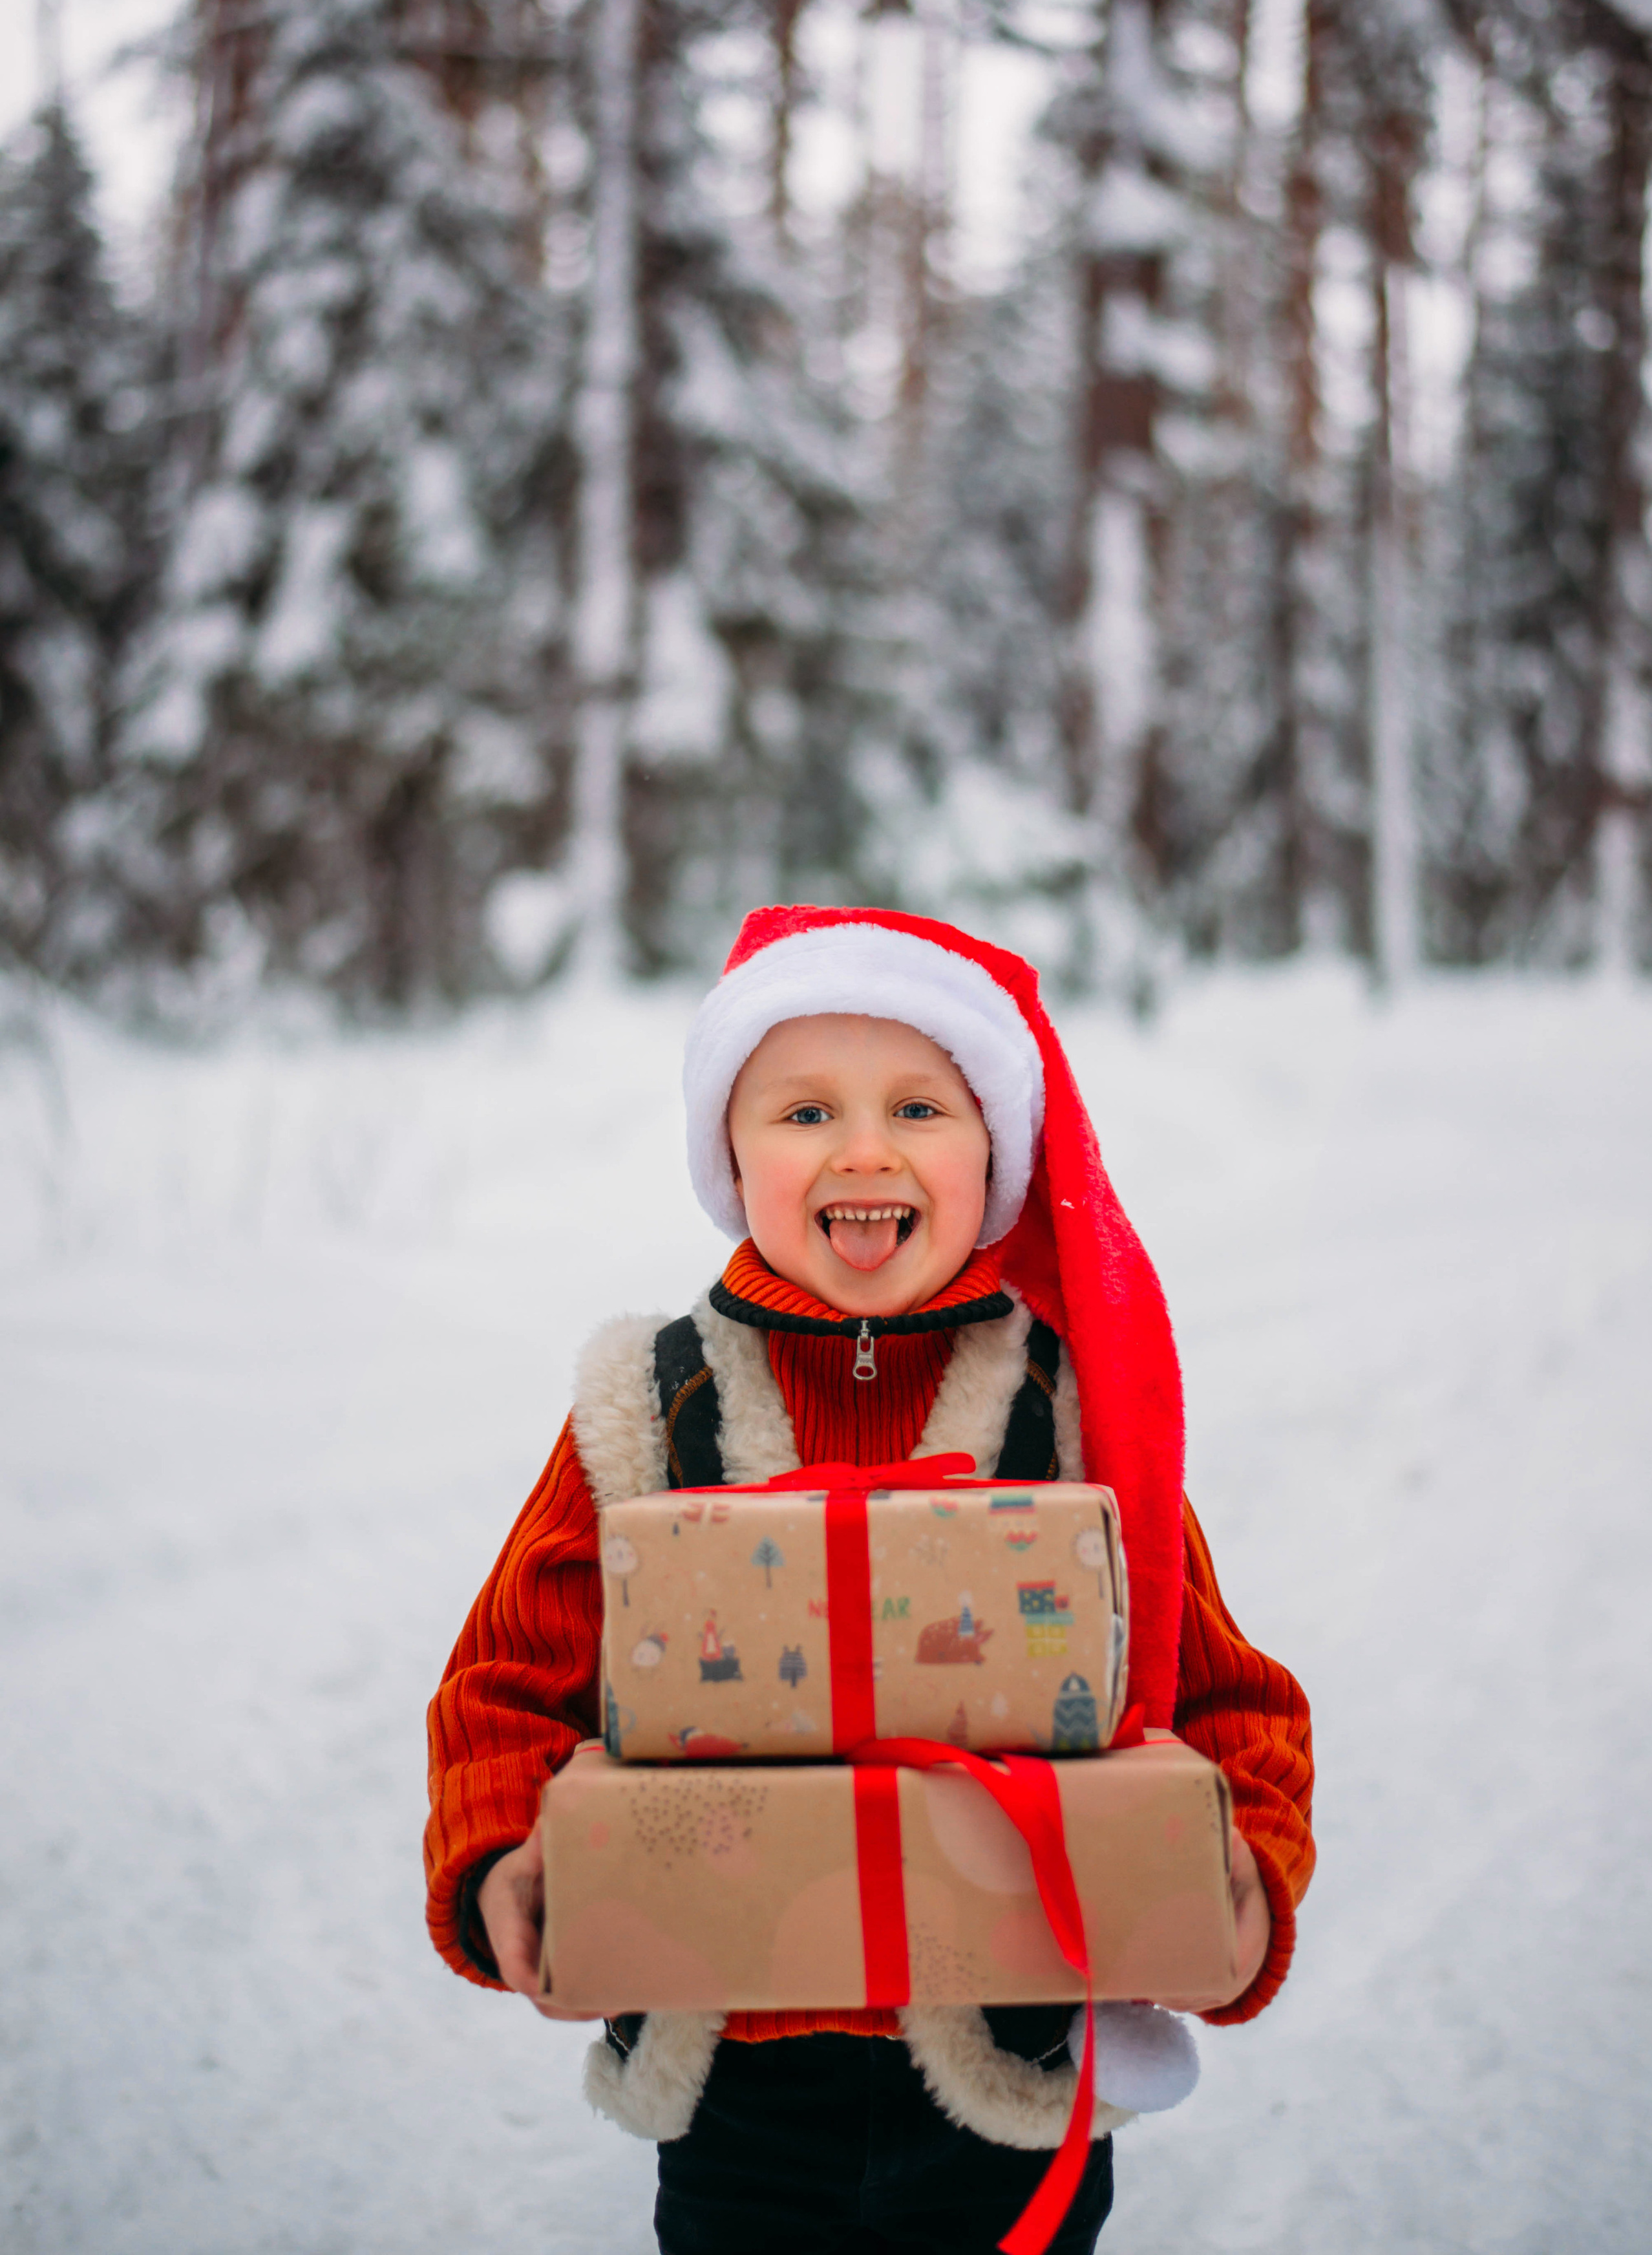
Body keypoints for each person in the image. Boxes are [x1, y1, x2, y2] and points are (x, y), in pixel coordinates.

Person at [425, 905, 1315, 2255]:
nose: (861, 1150)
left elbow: (1227, 1701)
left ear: (995, 1154)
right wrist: (498, 1855)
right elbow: (503, 1689)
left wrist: (1241, 1873)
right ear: (727, 1150)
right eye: (800, 1113)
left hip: (1011, 2089)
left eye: (916, 1106)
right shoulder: (647, 1411)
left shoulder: (1069, 1416)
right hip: (737, 2092)